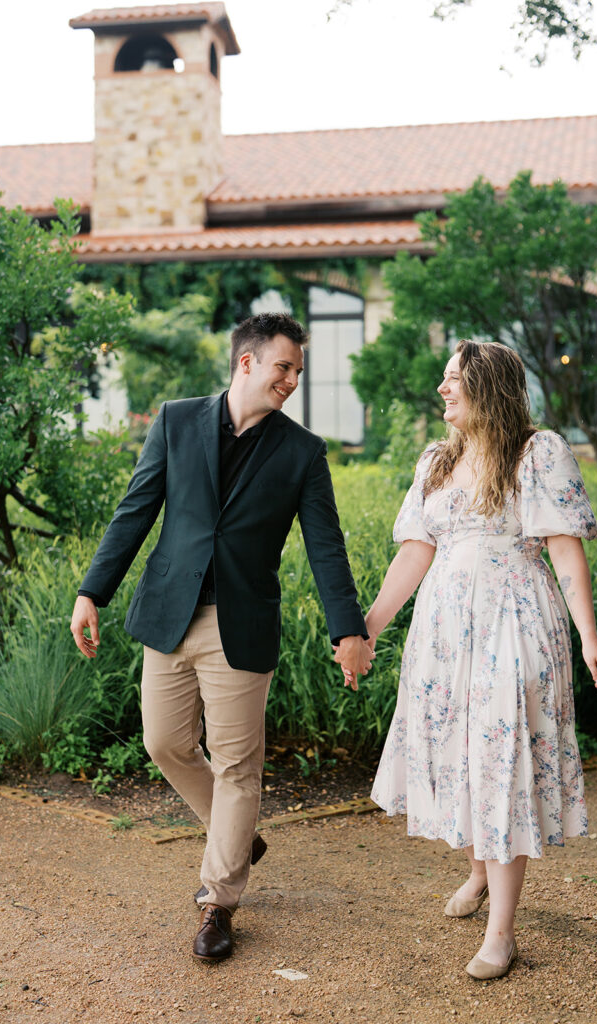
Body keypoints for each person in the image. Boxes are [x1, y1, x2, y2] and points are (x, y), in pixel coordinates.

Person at [70, 312, 372, 963]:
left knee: (237, 766)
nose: (291, 380)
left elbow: (326, 547)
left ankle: (219, 902)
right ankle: (237, 835)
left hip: (240, 625)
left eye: (298, 371)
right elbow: (135, 510)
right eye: (283, 367)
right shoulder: (176, 421)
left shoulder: (302, 452)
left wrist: (348, 629)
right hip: (168, 615)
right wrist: (92, 591)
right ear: (246, 362)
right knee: (164, 742)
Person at [350, 339, 597, 980]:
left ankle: (502, 932)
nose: (442, 389)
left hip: (514, 622)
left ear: (487, 386)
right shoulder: (436, 462)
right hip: (444, 631)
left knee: (503, 759)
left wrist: (589, 635)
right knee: (463, 751)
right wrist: (368, 629)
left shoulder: (536, 452)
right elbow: (416, 552)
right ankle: (478, 871)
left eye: (454, 379)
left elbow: (564, 546)